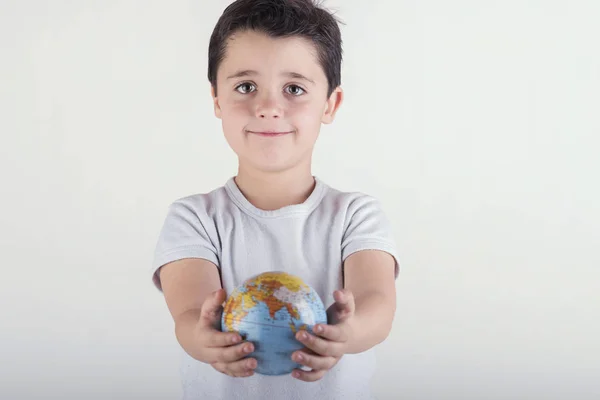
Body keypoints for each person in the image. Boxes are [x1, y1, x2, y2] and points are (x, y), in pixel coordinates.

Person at [150, 0, 400, 398]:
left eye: (294, 89)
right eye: (245, 87)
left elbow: (378, 305)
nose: (268, 108)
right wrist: (205, 339)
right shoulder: (193, 217)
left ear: (330, 104)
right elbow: (189, 315)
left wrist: (346, 332)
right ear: (216, 98)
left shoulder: (356, 215)